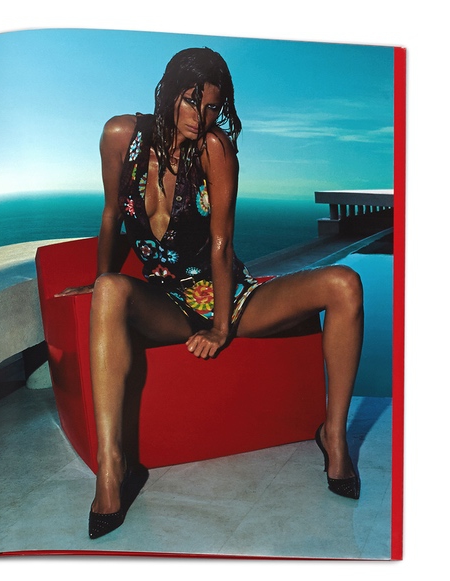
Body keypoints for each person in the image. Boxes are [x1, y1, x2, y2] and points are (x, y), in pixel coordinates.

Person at [58, 48, 364, 540]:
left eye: (212, 108)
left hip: (230, 297)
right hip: (168, 302)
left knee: (345, 283)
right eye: (190, 101)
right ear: (168, 93)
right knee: (111, 289)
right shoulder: (121, 136)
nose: (200, 118)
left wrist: (222, 326)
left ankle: (334, 436)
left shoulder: (215, 149)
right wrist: (99, 280)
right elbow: (112, 215)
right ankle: (112, 467)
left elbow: (222, 244)